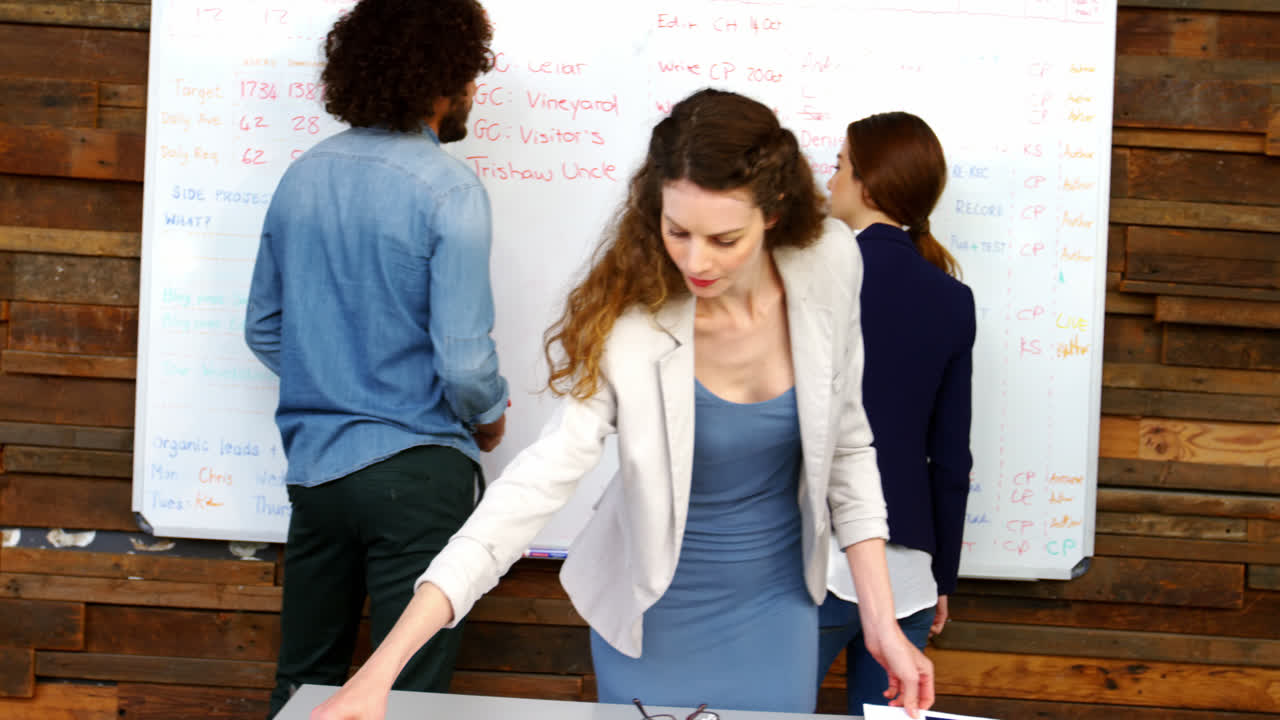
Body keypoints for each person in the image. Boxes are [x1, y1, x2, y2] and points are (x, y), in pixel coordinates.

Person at [310, 88, 935, 720]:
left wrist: (880, 620)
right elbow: (528, 490)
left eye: (724, 238)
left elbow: (849, 448)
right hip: (650, 616)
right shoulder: (632, 324)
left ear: (773, 211)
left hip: (779, 610)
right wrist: (380, 672)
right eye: (677, 231)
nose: (696, 261)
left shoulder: (830, 261)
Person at [243, 1, 508, 716]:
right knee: (408, 697)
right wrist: (488, 416)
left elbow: (264, 328)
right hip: (419, 473)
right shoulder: (450, 189)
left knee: (301, 684)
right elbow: (463, 365)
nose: (475, 91)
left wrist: (333, 378)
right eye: (469, 75)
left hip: (318, 474)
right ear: (441, 79)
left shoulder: (303, 176)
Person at [817, 111, 976, 714]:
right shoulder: (952, 299)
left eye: (838, 167)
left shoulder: (813, 281)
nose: (828, 180)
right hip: (909, 573)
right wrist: (942, 580)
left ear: (868, 183)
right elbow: (951, 458)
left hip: (813, 561)